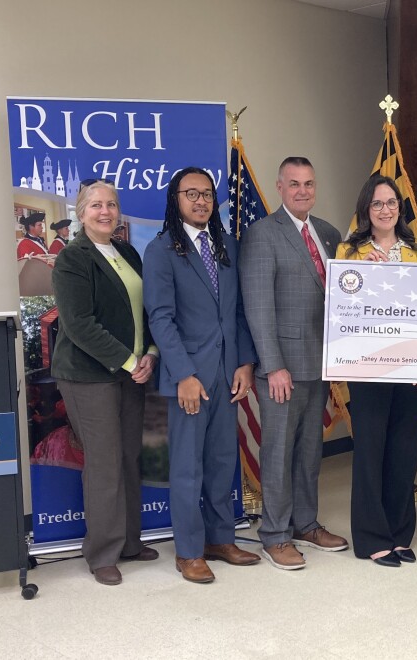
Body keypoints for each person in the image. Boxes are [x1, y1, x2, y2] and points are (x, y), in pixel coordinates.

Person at [144, 167, 261, 584]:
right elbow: (160, 317)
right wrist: (183, 374)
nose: (201, 201)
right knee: (188, 467)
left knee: (221, 462)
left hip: (228, 372)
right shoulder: (161, 250)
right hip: (190, 377)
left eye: (207, 194)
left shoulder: (227, 245)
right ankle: (190, 550)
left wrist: (245, 363)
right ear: (175, 200)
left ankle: (220, 539)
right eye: (191, 193)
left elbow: (239, 312)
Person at [240, 157, 347, 570]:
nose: (303, 191)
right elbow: (258, 306)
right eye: (294, 184)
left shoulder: (328, 233)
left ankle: (305, 523)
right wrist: (273, 365)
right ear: (280, 187)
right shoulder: (263, 234)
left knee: (308, 451)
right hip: (281, 368)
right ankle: (275, 534)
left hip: (320, 363)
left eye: (309, 184)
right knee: (278, 452)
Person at [50, 181, 159, 585]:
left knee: (130, 456)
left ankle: (130, 542)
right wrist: (130, 362)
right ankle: (102, 553)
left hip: (133, 371)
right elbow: (79, 325)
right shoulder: (72, 258)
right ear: (81, 213)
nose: (105, 211)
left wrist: (150, 353)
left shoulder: (128, 252)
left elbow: (147, 309)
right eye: (95, 205)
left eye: (111, 204)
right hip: (88, 376)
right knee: (105, 463)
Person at [338, 175, 417, 567]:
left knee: (404, 453)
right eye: (377, 204)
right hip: (367, 366)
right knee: (371, 451)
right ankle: (372, 538)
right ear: (365, 210)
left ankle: (399, 534)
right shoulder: (349, 251)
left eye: (392, 202)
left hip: (409, 368)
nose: (386, 210)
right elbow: (340, 308)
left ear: (400, 208)